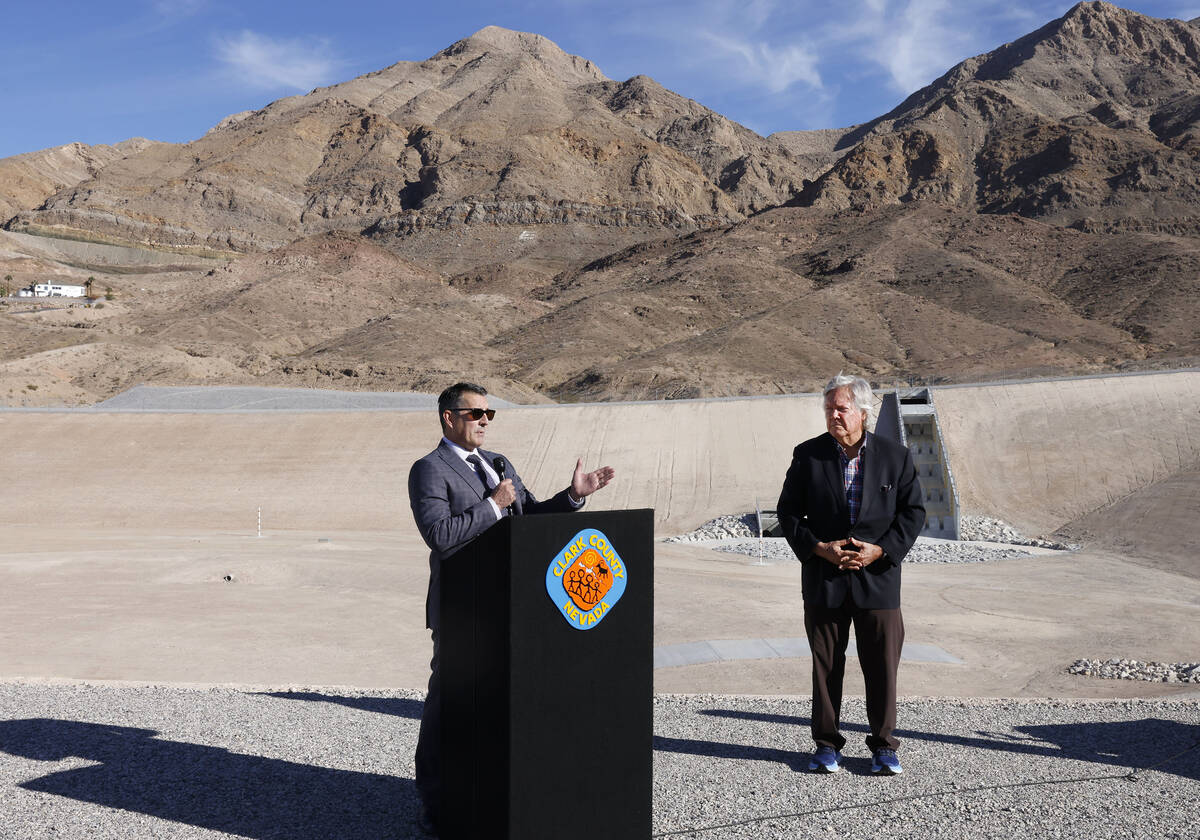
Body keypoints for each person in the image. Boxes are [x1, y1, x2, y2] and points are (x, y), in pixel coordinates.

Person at [408, 382, 615, 834]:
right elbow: (440, 535)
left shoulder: (498, 464)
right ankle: (435, 799)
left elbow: (531, 517)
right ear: (449, 417)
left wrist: (574, 496)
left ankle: (495, 786)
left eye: (490, 414)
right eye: (477, 413)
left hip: (513, 606)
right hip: (462, 611)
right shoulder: (429, 470)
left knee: (502, 700)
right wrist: (492, 504)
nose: (485, 420)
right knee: (451, 704)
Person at [777, 373, 924, 776]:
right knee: (826, 667)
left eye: (841, 408)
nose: (833, 416)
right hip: (825, 580)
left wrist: (882, 550)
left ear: (863, 412)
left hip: (878, 580)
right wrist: (819, 549)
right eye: (829, 409)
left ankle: (883, 746)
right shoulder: (807, 456)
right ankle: (826, 745)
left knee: (881, 666)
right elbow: (788, 514)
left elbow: (914, 514)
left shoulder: (896, 457)